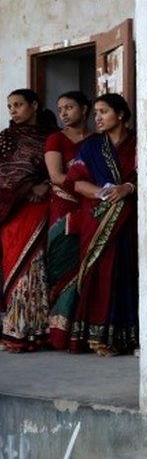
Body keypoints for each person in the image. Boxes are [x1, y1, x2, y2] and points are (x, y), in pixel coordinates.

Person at [62, 93, 138, 355]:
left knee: (126, 273)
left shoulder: (139, 143)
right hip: (98, 219)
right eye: (95, 113)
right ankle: (97, 337)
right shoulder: (92, 146)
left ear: (120, 115)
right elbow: (77, 181)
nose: (98, 118)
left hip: (129, 222)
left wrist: (127, 188)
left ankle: (126, 337)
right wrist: (103, 193)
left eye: (103, 112)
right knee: (99, 273)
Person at [1, 89, 57, 351]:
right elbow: (4, 175)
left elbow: (62, 169)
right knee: (18, 267)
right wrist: (27, 188)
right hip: (13, 211)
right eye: (10, 106)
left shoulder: (51, 137)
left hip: (43, 208)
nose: (13, 110)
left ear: (34, 105)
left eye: (18, 104)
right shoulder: (6, 139)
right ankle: (16, 328)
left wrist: (44, 184)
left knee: (37, 267)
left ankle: (38, 329)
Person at [45, 91, 92, 350]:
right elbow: (55, 175)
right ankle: (58, 331)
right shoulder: (56, 139)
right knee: (62, 265)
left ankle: (79, 332)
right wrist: (88, 187)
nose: (63, 113)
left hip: (92, 206)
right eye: (60, 108)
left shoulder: (97, 139)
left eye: (69, 107)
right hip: (65, 208)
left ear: (84, 110)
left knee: (88, 266)